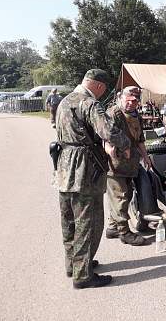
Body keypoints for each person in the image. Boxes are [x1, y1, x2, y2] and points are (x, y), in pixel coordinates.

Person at [55, 69, 130, 289]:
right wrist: (125, 145)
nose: (104, 92)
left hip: (64, 168)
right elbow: (108, 130)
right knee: (89, 222)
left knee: (69, 220)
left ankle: (74, 264)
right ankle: (83, 275)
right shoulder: (89, 103)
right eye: (104, 88)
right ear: (98, 85)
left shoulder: (64, 101)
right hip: (85, 170)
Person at [104, 86, 151, 246]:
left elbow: (140, 140)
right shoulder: (113, 113)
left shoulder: (135, 115)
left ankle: (112, 227)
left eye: (135, 100)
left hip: (130, 165)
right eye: (128, 99)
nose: (131, 103)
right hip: (115, 165)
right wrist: (109, 150)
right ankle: (124, 232)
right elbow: (104, 136)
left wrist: (146, 157)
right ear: (120, 97)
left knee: (127, 195)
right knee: (121, 197)